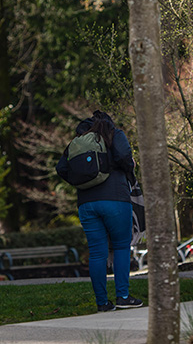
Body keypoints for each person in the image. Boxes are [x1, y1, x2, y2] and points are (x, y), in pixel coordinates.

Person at [56, 110, 143, 312]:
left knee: (97, 253)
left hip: (86, 203)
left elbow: (61, 168)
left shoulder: (78, 140)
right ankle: (122, 296)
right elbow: (123, 156)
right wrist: (130, 166)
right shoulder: (114, 134)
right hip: (115, 198)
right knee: (121, 246)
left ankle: (102, 303)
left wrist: (80, 181)